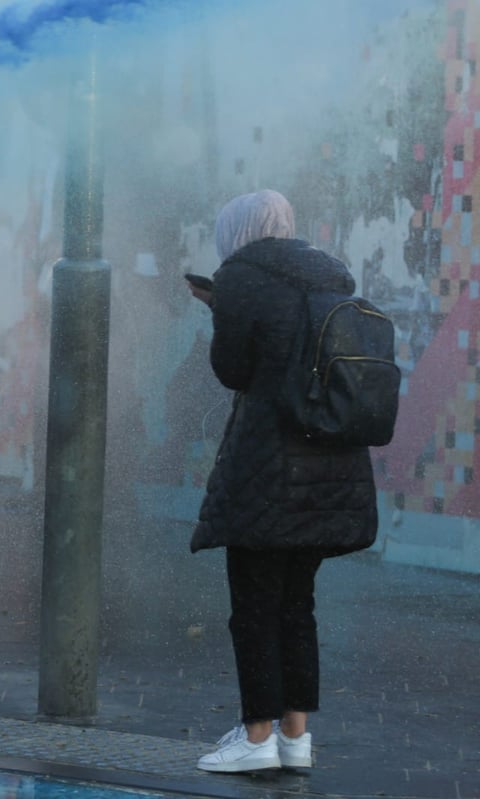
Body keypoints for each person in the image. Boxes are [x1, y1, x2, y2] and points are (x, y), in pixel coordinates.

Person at [187, 190, 378, 773]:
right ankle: (295, 739)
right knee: (297, 605)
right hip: (330, 469)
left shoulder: (240, 278)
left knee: (254, 606)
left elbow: (233, 371)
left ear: (237, 233)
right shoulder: (331, 278)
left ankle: (256, 737)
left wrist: (219, 308)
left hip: (268, 468)